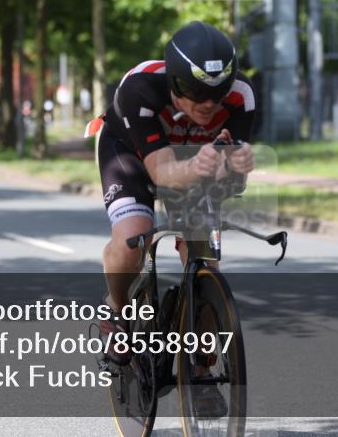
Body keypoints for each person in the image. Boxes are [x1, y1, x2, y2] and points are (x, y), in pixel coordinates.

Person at [87, 22, 256, 411]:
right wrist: (203, 165)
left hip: (194, 160)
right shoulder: (140, 90)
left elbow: (232, 183)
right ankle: (115, 312)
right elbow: (162, 174)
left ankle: (201, 371)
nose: (209, 103)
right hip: (130, 152)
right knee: (135, 235)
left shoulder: (242, 97)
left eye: (218, 92)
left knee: (205, 257)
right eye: (196, 92)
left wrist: (236, 168)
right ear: (175, 83)